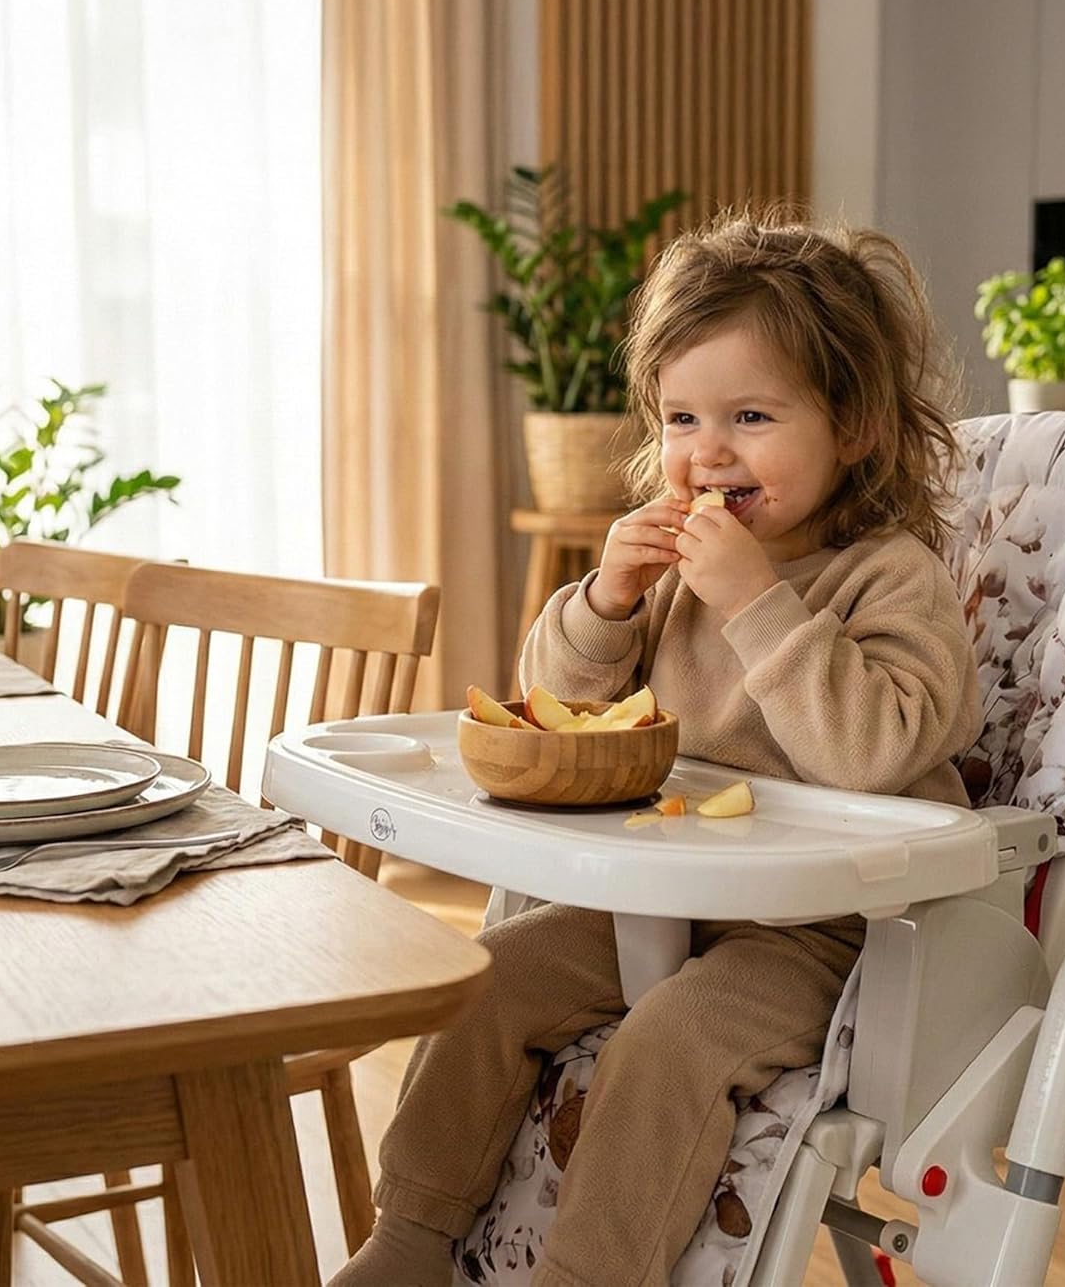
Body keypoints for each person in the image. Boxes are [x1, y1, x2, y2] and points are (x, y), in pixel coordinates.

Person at [332, 212, 983, 1287]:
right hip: (657, 896)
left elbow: (874, 753)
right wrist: (607, 597)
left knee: (669, 1042)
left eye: (751, 415)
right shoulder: (674, 570)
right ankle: (408, 1235)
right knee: (483, 980)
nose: (707, 450)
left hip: (822, 930)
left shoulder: (888, 576)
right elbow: (550, 706)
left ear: (856, 425)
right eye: (682, 416)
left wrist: (759, 605)